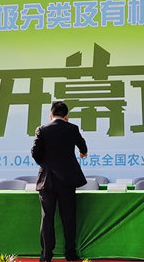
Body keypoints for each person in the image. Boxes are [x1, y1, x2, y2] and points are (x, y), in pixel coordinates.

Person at [32, 102, 88, 262]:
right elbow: (82, 145)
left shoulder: (42, 129)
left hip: (47, 180)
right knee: (68, 217)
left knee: (47, 218)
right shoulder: (72, 129)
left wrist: (46, 163)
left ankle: (46, 255)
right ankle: (70, 254)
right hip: (67, 179)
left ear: (51, 116)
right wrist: (83, 153)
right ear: (66, 116)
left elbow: (34, 152)